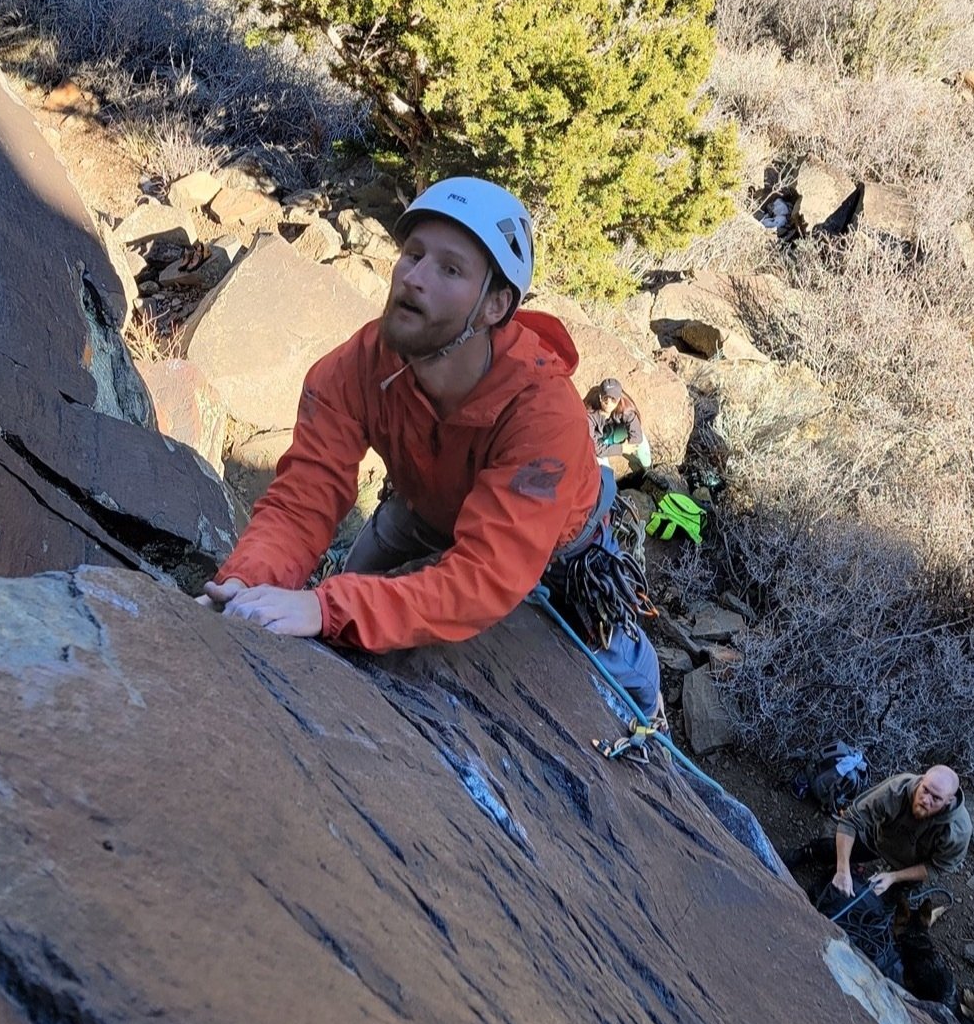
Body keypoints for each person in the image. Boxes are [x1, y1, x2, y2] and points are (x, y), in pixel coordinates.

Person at [199, 176, 663, 717]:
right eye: (413, 255)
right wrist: (243, 584)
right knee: (346, 591)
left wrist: (327, 609)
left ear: (495, 305)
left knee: (630, 673)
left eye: (449, 269)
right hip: (427, 505)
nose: (413, 278)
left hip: (557, 543)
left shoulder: (543, 414)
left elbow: (484, 577)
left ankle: (654, 721)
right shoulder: (362, 365)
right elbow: (304, 499)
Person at [783, 765, 972, 900]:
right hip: (879, 838)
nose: (925, 800)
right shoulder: (897, 789)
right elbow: (851, 819)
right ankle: (806, 854)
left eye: (936, 798)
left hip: (910, 862)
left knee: (880, 906)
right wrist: (842, 869)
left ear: (948, 801)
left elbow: (937, 867)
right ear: (921, 780)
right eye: (925, 790)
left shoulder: (957, 831)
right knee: (829, 849)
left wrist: (893, 877)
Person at [588, 378, 651, 472]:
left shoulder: (625, 408)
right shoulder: (589, 411)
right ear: (600, 397)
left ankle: (648, 469)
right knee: (605, 472)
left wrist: (629, 445)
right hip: (598, 441)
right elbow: (594, 447)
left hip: (614, 435)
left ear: (618, 399)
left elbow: (637, 434)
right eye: (605, 398)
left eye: (613, 399)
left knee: (642, 440)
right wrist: (620, 449)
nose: (609, 403)